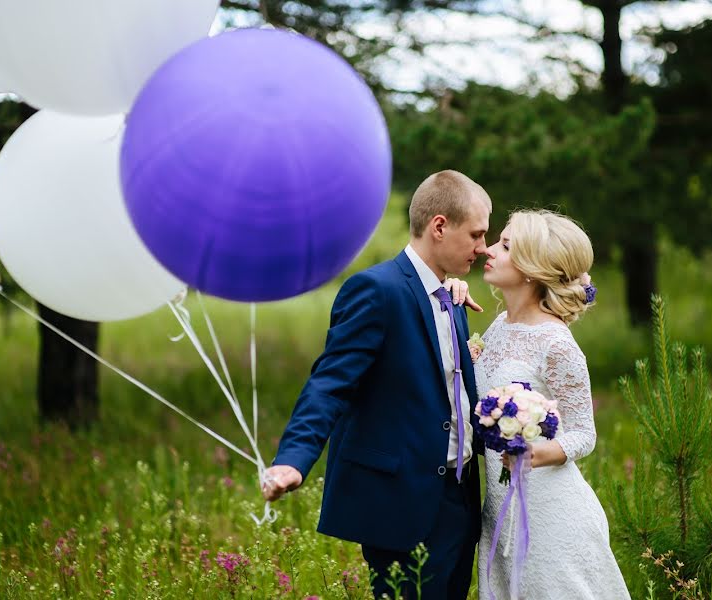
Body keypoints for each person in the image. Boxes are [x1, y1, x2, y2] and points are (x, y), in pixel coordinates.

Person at [263, 169, 492, 599]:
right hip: (401, 500)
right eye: (477, 235)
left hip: (460, 497)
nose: (483, 248)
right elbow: (330, 383)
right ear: (439, 226)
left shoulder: (454, 296)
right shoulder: (376, 290)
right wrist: (294, 458)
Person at [469, 209, 630, 599]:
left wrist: (535, 454)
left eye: (505, 245)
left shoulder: (556, 345)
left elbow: (583, 435)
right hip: (499, 508)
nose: (489, 249)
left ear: (530, 268)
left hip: (549, 516)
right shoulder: (499, 326)